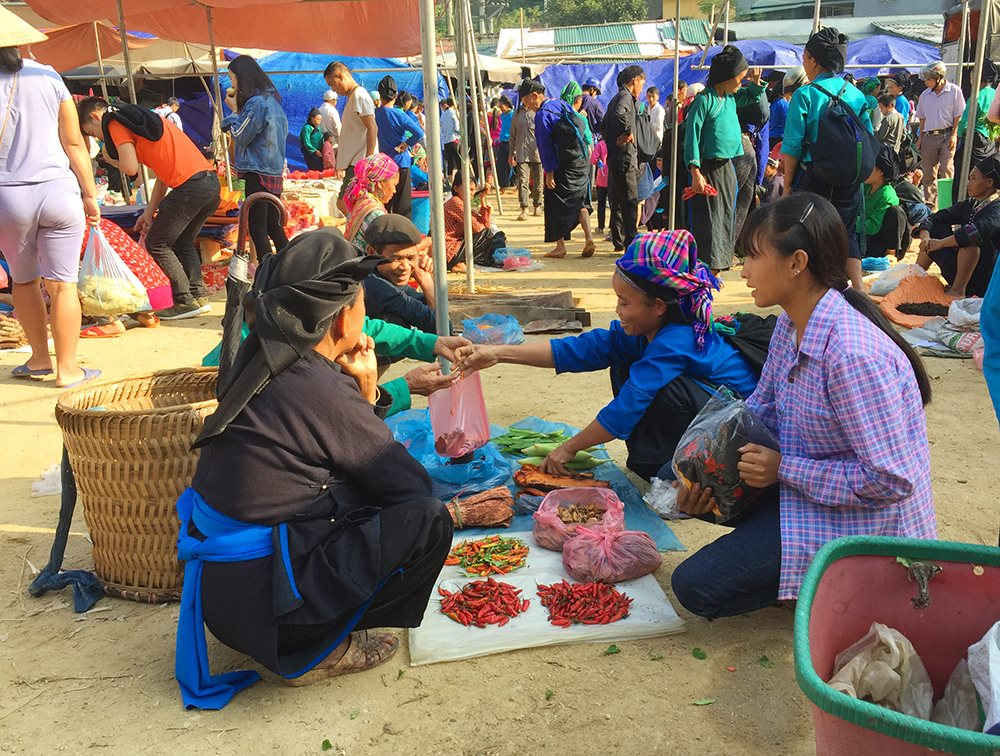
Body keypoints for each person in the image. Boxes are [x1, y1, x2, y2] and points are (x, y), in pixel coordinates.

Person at [175, 229, 453, 708]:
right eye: (363, 305)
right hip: (273, 618)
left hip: (226, 601)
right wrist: (365, 395)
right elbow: (408, 485)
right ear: (345, 315)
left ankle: (303, 628)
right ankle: (324, 648)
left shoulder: (258, 358)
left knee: (352, 485)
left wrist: (366, 399)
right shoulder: (316, 385)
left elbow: (320, 440)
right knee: (427, 517)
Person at [670, 192, 936, 620]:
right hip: (811, 489)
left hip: (869, 526)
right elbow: (761, 412)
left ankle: (845, 589)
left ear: (796, 263)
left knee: (696, 587)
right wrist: (703, 478)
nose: (744, 270)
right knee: (690, 453)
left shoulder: (852, 356)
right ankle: (795, 571)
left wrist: (784, 469)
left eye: (753, 257)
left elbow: (891, 482)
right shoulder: (792, 325)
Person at [454, 229, 761, 482]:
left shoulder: (676, 340)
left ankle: (676, 467)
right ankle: (660, 461)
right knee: (620, 353)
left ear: (657, 306)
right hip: (704, 415)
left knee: (649, 388)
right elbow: (578, 350)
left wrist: (568, 449)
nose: (617, 310)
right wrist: (496, 353)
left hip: (736, 438)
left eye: (624, 303)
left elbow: (625, 408)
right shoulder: (652, 328)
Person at [0, 21, 100, 388]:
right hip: (58, 191)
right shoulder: (47, 75)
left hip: (8, 197)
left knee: (23, 282)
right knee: (64, 286)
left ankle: (39, 359)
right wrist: (90, 194)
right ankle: (68, 369)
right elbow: (74, 142)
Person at [79, 96, 219, 320]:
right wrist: (148, 212)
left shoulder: (114, 122)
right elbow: (162, 179)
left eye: (94, 133)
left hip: (191, 187)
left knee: (158, 242)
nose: (100, 138)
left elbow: (130, 168)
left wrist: (109, 159)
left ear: (96, 116)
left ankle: (183, 301)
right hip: (209, 184)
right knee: (182, 240)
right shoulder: (142, 122)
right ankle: (198, 295)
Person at [781, 27, 872, 292]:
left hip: (814, 178)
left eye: (804, 57)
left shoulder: (805, 95)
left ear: (811, 59)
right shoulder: (856, 94)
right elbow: (868, 137)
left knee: (809, 234)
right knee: (847, 232)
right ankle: (858, 291)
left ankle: (815, 293)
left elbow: (793, 146)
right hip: (849, 178)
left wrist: (788, 185)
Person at [684, 48, 766, 273]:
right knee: (710, 223)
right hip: (708, 170)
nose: (741, 84)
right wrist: (695, 171)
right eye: (740, 79)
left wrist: (756, 83)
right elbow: (692, 136)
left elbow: (752, 97)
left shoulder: (730, 97)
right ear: (727, 78)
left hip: (727, 168)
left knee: (725, 219)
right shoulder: (704, 101)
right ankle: (706, 271)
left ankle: (718, 267)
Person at [221, 54, 289, 257]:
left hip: (257, 172)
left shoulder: (257, 103)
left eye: (233, 77)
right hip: (273, 172)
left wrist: (234, 112)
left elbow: (241, 136)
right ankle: (288, 266)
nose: (232, 82)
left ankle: (267, 272)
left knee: (258, 227)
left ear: (243, 78)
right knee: (272, 226)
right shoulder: (273, 102)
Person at [915, 156, 1000, 298]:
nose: (968, 183)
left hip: (984, 280)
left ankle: (957, 291)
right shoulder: (970, 204)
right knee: (936, 228)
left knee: (969, 244)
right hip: (965, 272)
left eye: (973, 179)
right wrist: (926, 237)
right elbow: (935, 217)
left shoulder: (996, 209)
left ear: (989, 183)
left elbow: (973, 233)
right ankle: (915, 275)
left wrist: (940, 244)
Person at [533, 81, 595, 259]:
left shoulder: (544, 113)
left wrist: (549, 171)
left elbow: (545, 146)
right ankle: (589, 238)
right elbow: (588, 142)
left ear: (534, 96)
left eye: (525, 100)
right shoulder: (568, 110)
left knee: (554, 202)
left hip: (563, 165)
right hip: (581, 164)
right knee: (581, 202)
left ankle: (560, 246)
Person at [362, 214, 438, 335]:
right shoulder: (376, 285)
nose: (405, 267)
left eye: (411, 258)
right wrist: (429, 287)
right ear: (372, 252)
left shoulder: (380, 275)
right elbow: (440, 327)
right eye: (396, 258)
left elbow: (422, 304)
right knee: (394, 321)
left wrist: (426, 281)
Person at [603, 65, 646, 252]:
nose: (642, 88)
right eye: (642, 83)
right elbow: (621, 115)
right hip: (626, 157)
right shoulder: (625, 97)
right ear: (635, 80)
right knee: (630, 200)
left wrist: (613, 139)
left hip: (616, 156)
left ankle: (619, 240)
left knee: (618, 200)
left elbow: (604, 125)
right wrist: (627, 131)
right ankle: (631, 241)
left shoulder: (615, 98)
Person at [915, 61, 965, 210]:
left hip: (947, 135)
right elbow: (922, 118)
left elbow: (958, 115)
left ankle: (945, 206)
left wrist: (954, 135)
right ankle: (930, 207)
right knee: (928, 173)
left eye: (928, 79)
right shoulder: (925, 95)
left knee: (946, 170)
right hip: (929, 136)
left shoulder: (954, 91)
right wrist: (920, 138)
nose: (925, 82)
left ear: (939, 78)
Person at [373, 76, 424, 220]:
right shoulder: (399, 114)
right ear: (395, 96)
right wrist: (406, 144)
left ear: (380, 95)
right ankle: (402, 237)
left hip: (384, 165)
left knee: (384, 204)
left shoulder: (375, 113)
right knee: (403, 206)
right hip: (401, 162)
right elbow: (419, 133)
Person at [324, 62, 377, 194]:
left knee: (346, 202)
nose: (333, 89)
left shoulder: (359, 95)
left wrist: (368, 160)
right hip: (354, 163)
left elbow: (372, 127)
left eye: (332, 84)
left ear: (340, 76)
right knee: (348, 202)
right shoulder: (353, 97)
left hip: (359, 163)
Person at [443, 171, 508, 270]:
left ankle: (460, 263)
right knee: (491, 236)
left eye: (473, 190)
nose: (472, 193)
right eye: (468, 189)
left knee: (497, 236)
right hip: (450, 249)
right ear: (456, 188)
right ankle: (455, 263)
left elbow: (485, 224)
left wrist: (482, 200)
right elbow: (479, 229)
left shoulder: (462, 202)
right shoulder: (455, 202)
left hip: (457, 245)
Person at [342, 153, 399, 254]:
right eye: (394, 185)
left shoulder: (361, 200)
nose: (394, 191)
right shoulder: (376, 214)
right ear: (380, 184)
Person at [954, 61, 997, 186]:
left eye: (973, 73)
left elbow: (963, 124)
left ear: (979, 75)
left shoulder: (976, 97)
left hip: (974, 142)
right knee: (983, 177)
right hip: (990, 142)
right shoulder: (995, 94)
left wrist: (959, 134)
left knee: (964, 178)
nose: (971, 76)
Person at [859, 147, 905, 258]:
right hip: (864, 236)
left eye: (870, 166)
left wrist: (848, 221)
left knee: (895, 212)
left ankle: (891, 253)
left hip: (879, 240)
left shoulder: (886, 194)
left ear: (880, 171)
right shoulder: (865, 187)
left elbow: (872, 227)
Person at [510, 81, 543, 221]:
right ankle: (524, 208)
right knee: (522, 181)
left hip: (537, 153)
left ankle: (537, 205)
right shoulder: (516, 114)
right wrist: (511, 154)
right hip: (521, 153)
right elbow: (512, 135)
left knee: (538, 181)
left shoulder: (537, 111)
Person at [591, 137, 610, 235]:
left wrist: (599, 161)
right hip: (613, 179)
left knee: (601, 204)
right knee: (614, 205)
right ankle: (613, 227)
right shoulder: (616, 142)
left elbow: (593, 159)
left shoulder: (600, 144)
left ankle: (601, 227)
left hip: (601, 179)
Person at [495, 96, 514, 190]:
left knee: (510, 164)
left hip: (510, 142)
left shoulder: (513, 114)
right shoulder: (502, 115)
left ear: (506, 105)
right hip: (502, 142)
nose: (500, 108)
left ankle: (510, 184)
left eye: (501, 106)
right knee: (500, 164)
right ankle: (503, 184)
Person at [440, 98, 462, 178]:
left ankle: (450, 181)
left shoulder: (443, 115)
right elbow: (456, 126)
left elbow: (441, 127)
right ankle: (460, 178)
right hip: (453, 139)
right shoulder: (453, 112)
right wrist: (460, 134)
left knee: (450, 162)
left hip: (446, 141)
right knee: (458, 161)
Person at [646, 86, 666, 151]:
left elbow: (658, 126)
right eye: (649, 96)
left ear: (657, 97)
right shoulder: (646, 109)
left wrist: (646, 126)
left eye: (653, 97)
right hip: (647, 141)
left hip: (656, 142)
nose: (651, 99)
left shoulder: (660, 110)